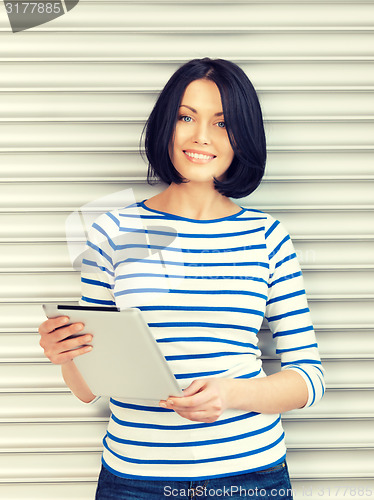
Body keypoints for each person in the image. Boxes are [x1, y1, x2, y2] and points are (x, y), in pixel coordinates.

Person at [38, 58, 325, 499]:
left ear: (243, 136)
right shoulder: (112, 231)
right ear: (165, 127)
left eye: (222, 123)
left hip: (250, 478)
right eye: (186, 117)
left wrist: (230, 394)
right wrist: (66, 355)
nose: (201, 137)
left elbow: (308, 379)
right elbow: (87, 389)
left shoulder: (267, 236)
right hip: (134, 480)